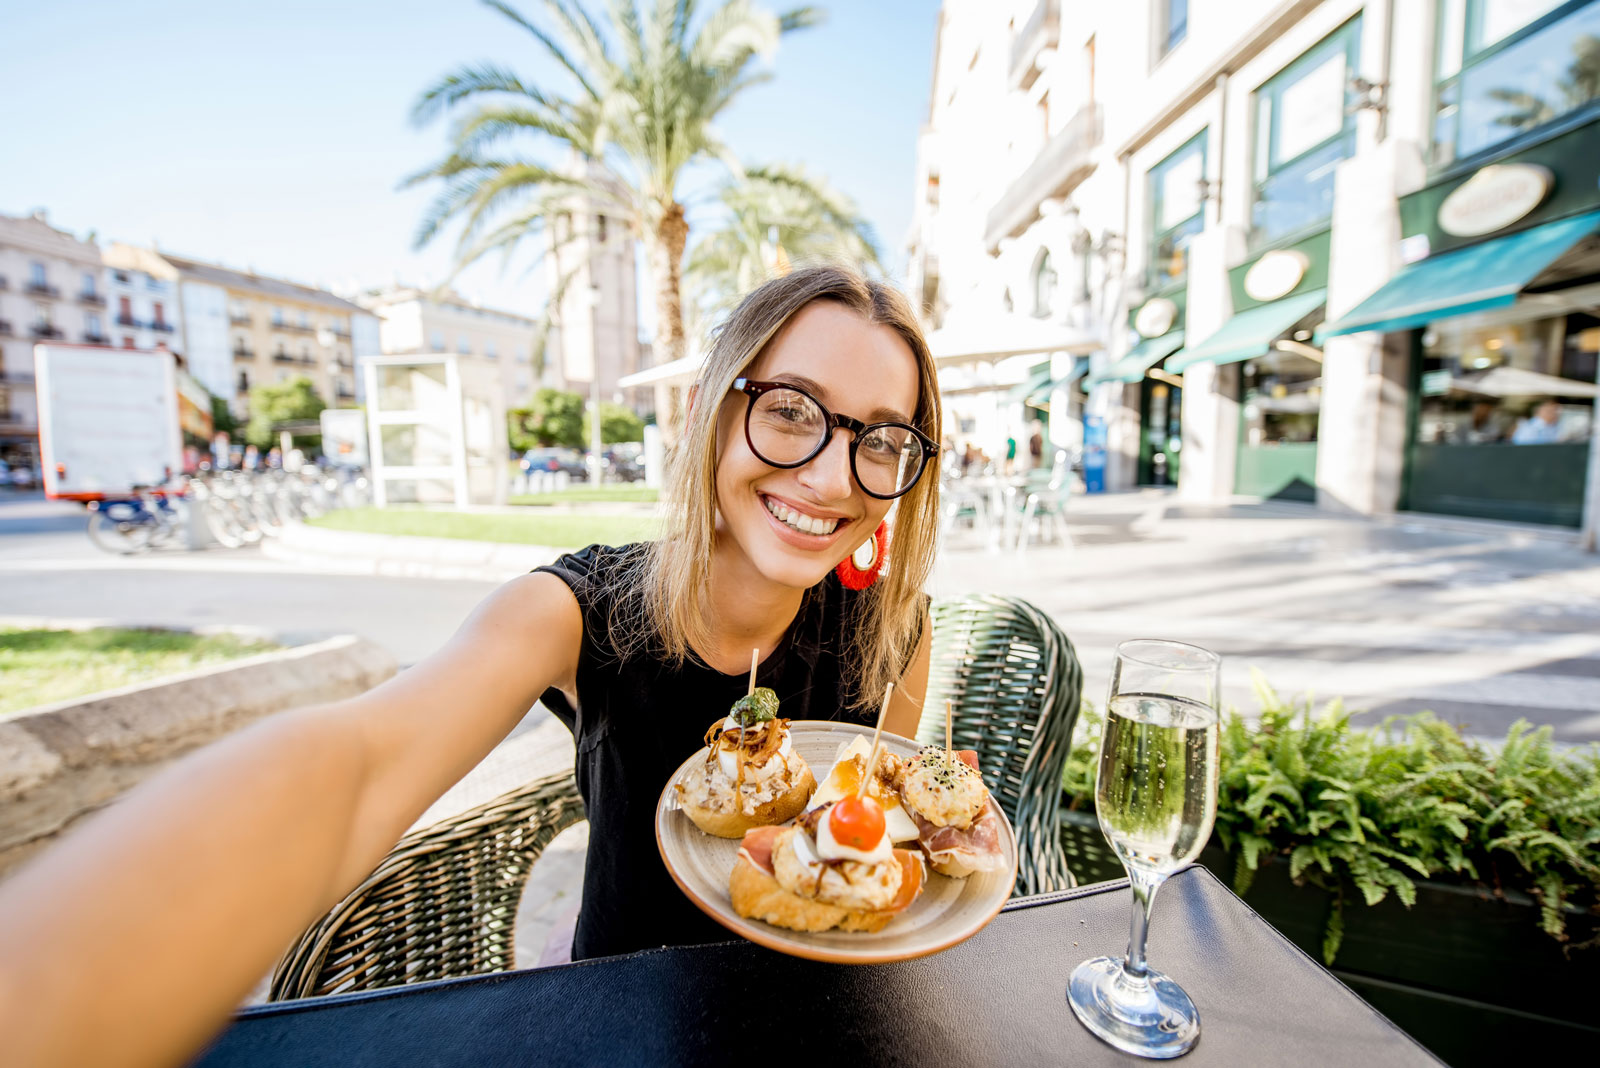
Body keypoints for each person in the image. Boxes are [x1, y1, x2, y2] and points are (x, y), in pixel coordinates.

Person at [0, 265, 941, 1068]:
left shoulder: (895, 627)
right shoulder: (572, 612)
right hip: (619, 1029)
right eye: (788, 412)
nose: (830, 476)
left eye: (883, 439)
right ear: (704, 412)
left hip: (828, 1019)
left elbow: (874, 839)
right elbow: (359, 763)